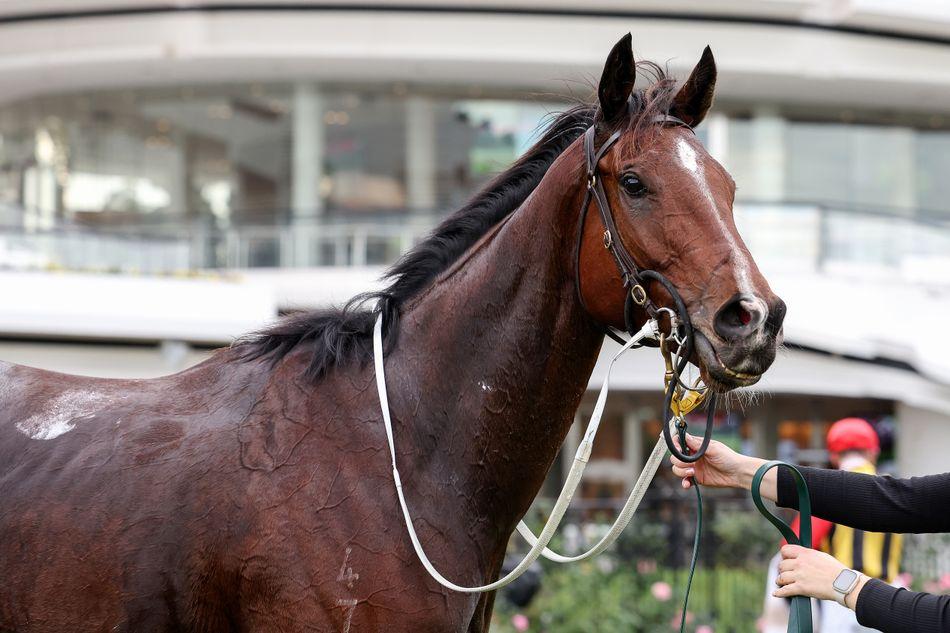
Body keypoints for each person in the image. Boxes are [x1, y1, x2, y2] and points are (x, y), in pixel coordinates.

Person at [669, 434, 950, 633]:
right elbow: (897, 500)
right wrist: (742, 472)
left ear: (833, 455)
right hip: (885, 592)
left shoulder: (865, 485)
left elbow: (894, 500)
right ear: (874, 451)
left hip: (849, 600)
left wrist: (843, 582)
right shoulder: (876, 479)